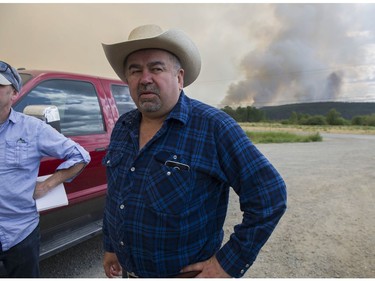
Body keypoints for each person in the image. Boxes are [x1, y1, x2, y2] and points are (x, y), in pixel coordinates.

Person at [101, 25, 287, 278]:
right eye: (135, 70)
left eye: (156, 68)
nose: (145, 78)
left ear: (179, 77)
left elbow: (270, 195)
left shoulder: (214, 127)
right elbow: (116, 197)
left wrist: (226, 264)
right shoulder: (123, 127)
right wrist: (111, 247)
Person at [0, 61, 91, 277]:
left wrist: (48, 184)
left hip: (20, 234)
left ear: (14, 93)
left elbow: (80, 155)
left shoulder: (32, 129)